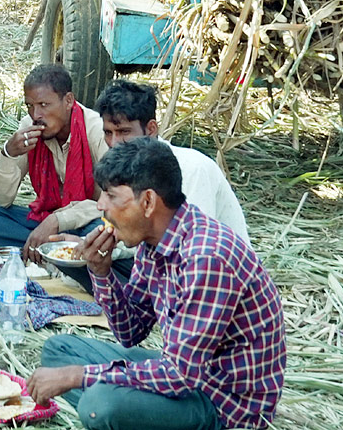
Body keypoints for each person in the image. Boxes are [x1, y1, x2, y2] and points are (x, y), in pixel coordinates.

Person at [29, 137, 286, 430]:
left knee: (97, 405)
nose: (101, 206)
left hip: (222, 404)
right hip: (189, 374)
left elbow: (179, 375)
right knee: (58, 352)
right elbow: (131, 333)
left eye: (112, 197)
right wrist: (101, 273)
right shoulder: (154, 242)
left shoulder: (206, 257)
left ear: (148, 201)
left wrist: (78, 377)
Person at [52, 79, 250, 291]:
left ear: (151, 129)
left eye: (124, 132)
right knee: (91, 248)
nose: (114, 143)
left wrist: (112, 251)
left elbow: (196, 247)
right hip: (157, 255)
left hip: (210, 274)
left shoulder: (191, 168)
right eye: (108, 133)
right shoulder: (129, 170)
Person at [0, 63, 107, 260]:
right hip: (44, 220)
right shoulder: (28, 128)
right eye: (30, 106)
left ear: (68, 101)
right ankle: (53, 250)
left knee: (104, 229)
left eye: (44, 105)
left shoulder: (97, 130)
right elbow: (2, 200)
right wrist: (8, 153)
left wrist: (57, 219)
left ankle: (47, 247)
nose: (36, 115)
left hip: (86, 222)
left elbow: (110, 204)